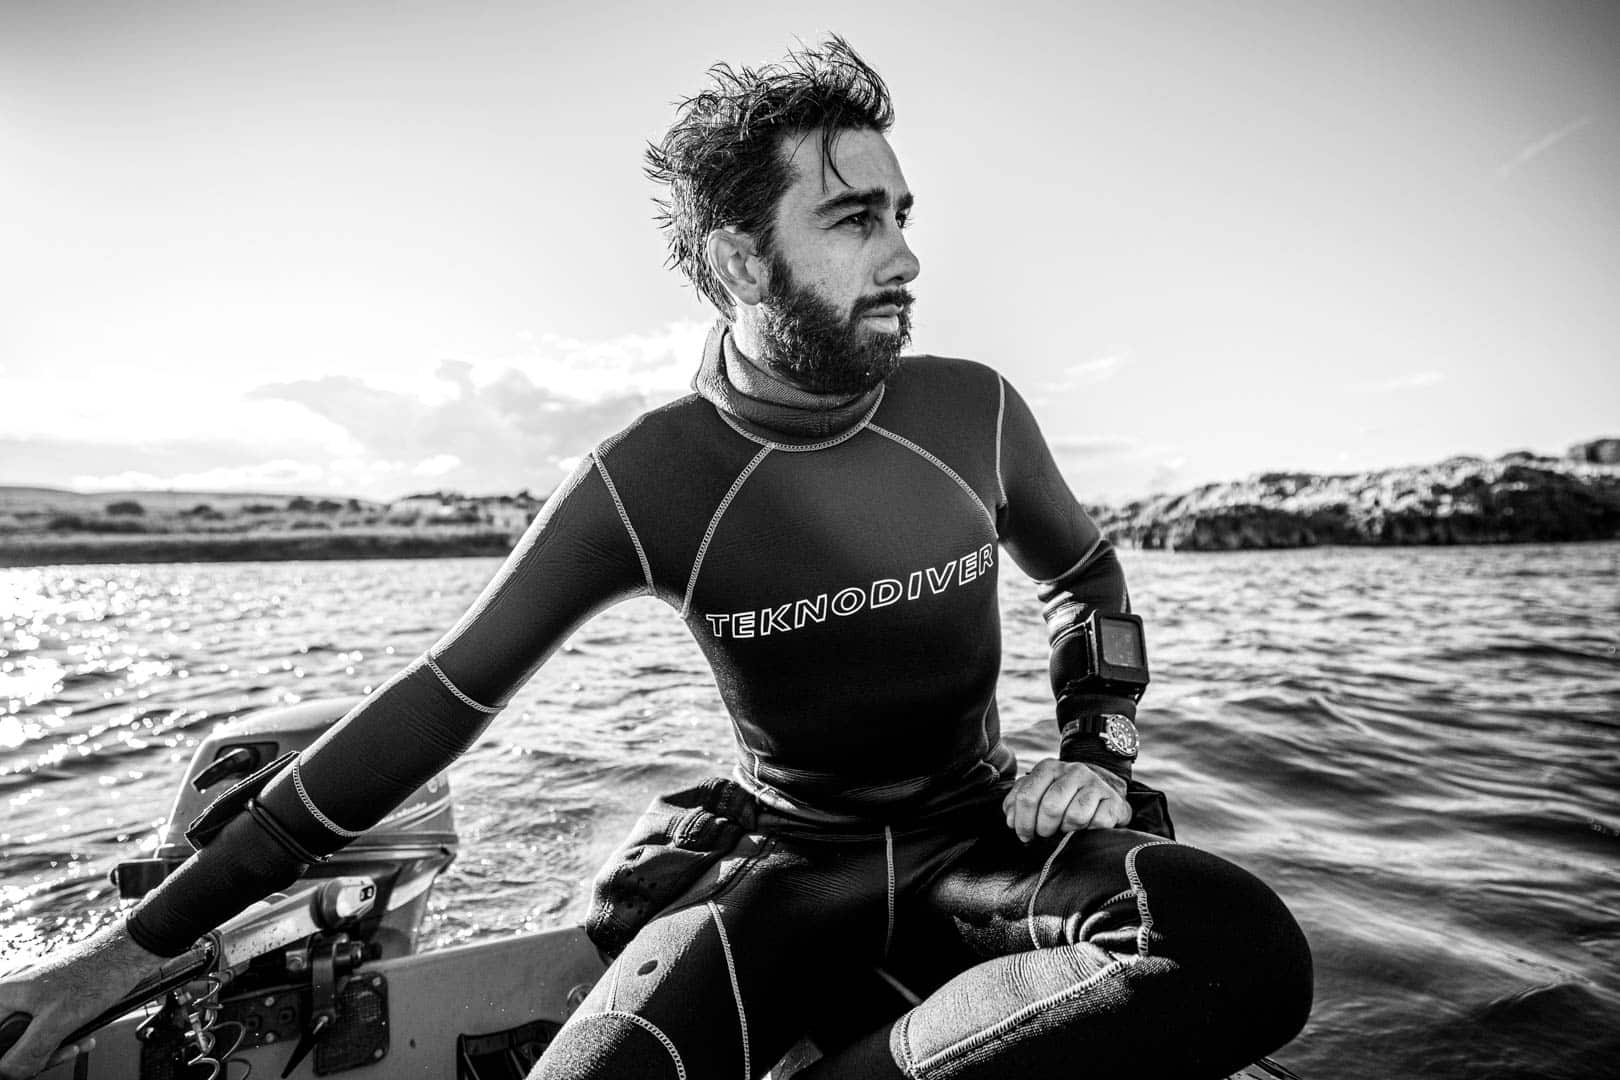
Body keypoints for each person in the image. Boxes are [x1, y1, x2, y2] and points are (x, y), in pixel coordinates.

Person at [0, 37, 1311, 1080]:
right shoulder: (648, 479)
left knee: (1244, 954)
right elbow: (428, 711)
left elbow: (1086, 583)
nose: (908, 254)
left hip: (986, 850)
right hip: (791, 874)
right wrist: (122, 956)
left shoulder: (973, 412)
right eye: (855, 217)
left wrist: (1094, 749)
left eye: (904, 211)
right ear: (744, 254)